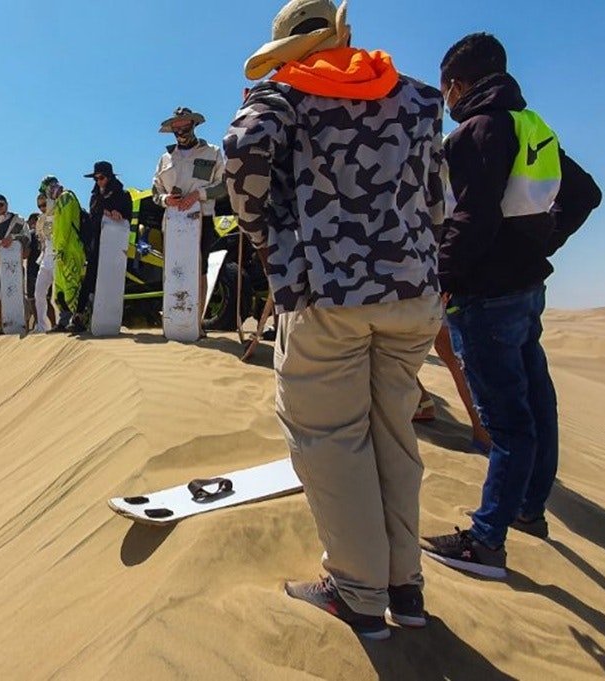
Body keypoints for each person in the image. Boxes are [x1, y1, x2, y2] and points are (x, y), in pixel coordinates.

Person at [224, 0, 446, 639]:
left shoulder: (283, 93)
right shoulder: (418, 98)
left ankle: (357, 594)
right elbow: (437, 196)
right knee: (394, 437)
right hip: (412, 295)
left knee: (332, 442)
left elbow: (240, 151)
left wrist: (266, 237)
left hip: (328, 296)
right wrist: (417, 253)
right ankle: (405, 588)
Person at [420, 33, 603, 580]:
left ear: (457, 84)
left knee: (507, 422)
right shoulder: (533, 127)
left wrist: (443, 279)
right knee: (536, 403)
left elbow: (472, 219)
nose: (446, 97)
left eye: (446, 86)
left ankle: (486, 542)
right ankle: (528, 509)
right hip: (526, 289)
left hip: (485, 296)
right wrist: (540, 243)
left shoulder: (475, 130)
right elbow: (586, 194)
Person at [152, 106, 228, 319]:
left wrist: (198, 195)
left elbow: (223, 186)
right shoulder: (165, 158)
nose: (180, 131)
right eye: (176, 127)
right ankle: (174, 318)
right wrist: (166, 199)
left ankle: (197, 321)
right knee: (174, 269)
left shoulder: (212, 152)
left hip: (201, 219)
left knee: (199, 269)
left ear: (193, 125)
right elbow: (155, 191)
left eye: (184, 126)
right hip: (173, 222)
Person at [79, 161, 133, 333]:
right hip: (96, 244)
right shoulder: (95, 196)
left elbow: (128, 219)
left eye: (101, 178)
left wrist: (119, 215)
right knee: (90, 279)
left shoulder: (123, 195)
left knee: (111, 280)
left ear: (109, 177)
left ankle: (109, 317)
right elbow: (92, 216)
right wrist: (103, 212)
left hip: (114, 246)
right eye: (96, 178)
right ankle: (80, 315)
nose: (98, 181)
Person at [0, 194, 30, 334]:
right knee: (0, 298)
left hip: (14, 265)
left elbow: (27, 237)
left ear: (7, 204)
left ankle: (24, 324)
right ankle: (2, 327)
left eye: (1, 204)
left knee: (18, 295)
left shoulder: (18, 221)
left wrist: (13, 238)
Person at [42, 176, 85, 331]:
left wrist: (60, 249)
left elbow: (65, 226)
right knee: (59, 289)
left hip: (70, 249)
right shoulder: (59, 202)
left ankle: (79, 320)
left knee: (71, 285)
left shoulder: (66, 197)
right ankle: (64, 321)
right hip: (59, 252)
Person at [31, 194, 57, 332]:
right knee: (39, 293)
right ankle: (41, 326)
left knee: (61, 295)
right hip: (45, 259)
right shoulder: (41, 219)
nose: (42, 208)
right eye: (39, 206)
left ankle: (68, 321)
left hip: (58, 258)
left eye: (44, 205)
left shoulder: (57, 214)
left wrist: (51, 206)